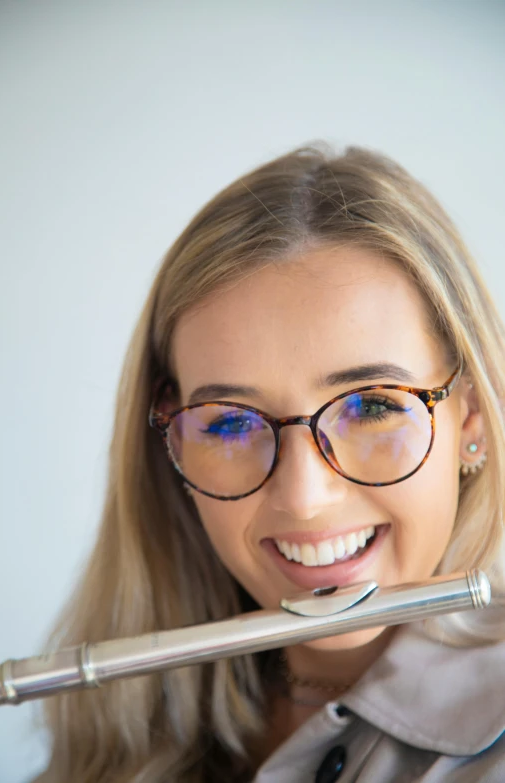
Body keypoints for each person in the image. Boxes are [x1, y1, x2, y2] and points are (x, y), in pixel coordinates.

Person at [32, 144, 505, 783]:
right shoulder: (117, 724)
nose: (304, 497)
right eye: (230, 421)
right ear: (171, 441)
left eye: (369, 406)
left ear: (469, 415)